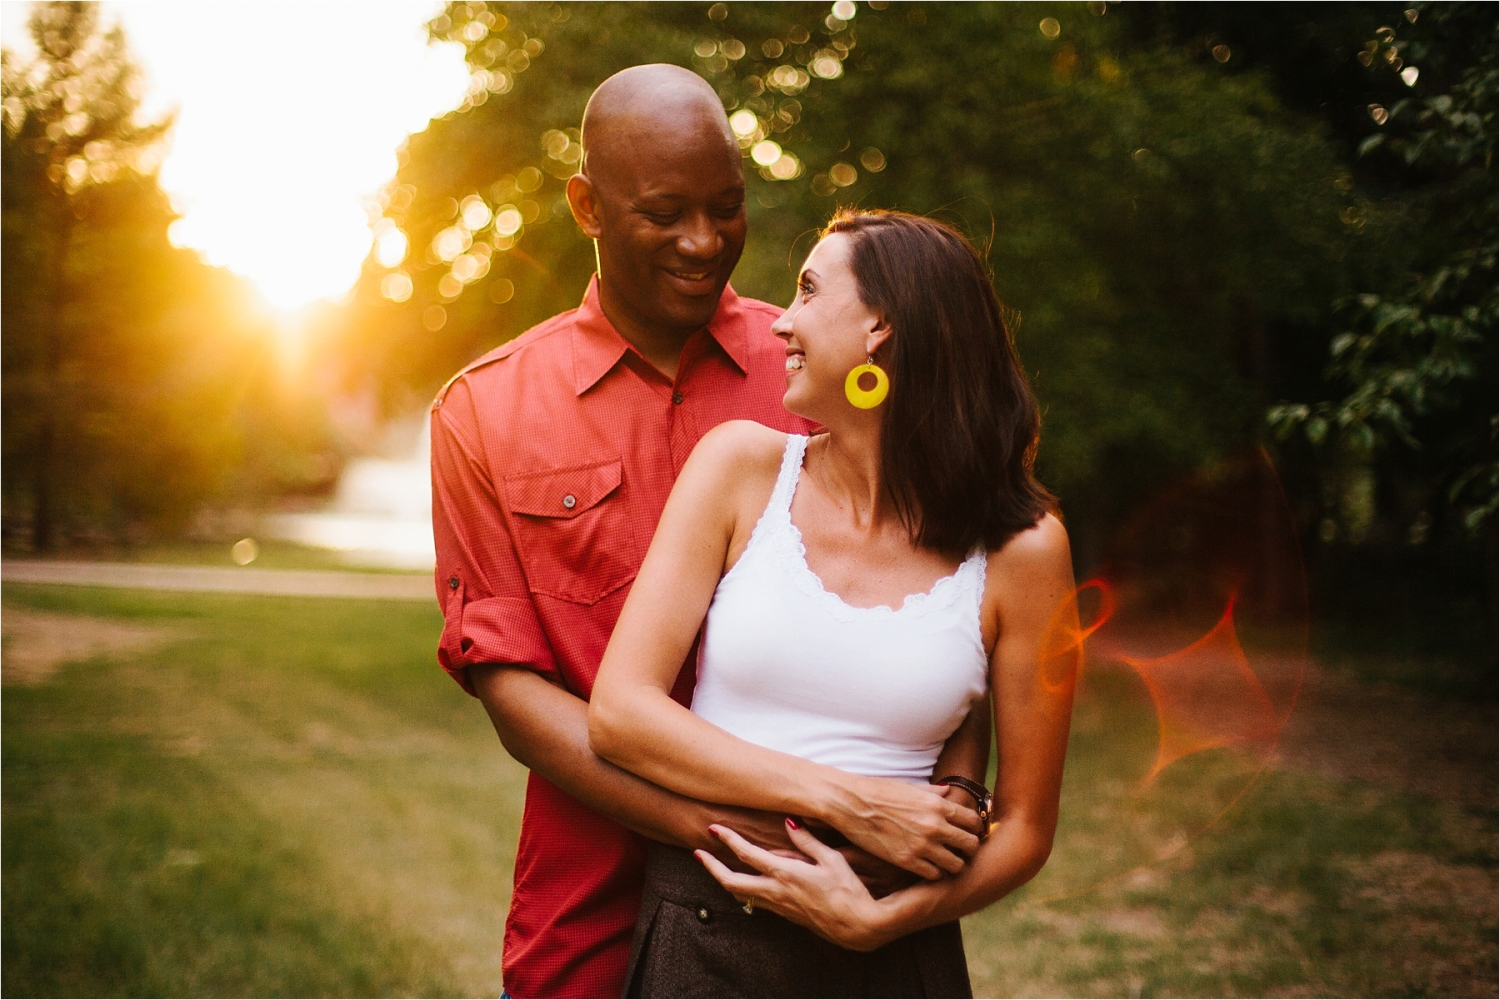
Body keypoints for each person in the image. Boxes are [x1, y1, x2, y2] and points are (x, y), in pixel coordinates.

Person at [429, 66, 947, 998]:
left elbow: (941, 590)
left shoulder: (818, 371)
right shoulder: (485, 411)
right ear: (587, 206)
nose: (704, 242)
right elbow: (510, 690)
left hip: (816, 902)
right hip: (588, 906)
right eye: (664, 212)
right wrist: (728, 827)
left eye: (727, 206)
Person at [588, 209, 1078, 996]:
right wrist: (853, 803)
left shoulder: (1025, 550)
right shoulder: (741, 469)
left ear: (881, 328)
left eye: (809, 292)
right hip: (707, 934)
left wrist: (884, 924)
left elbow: (1024, 828)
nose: (781, 322)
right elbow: (620, 713)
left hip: (893, 956)